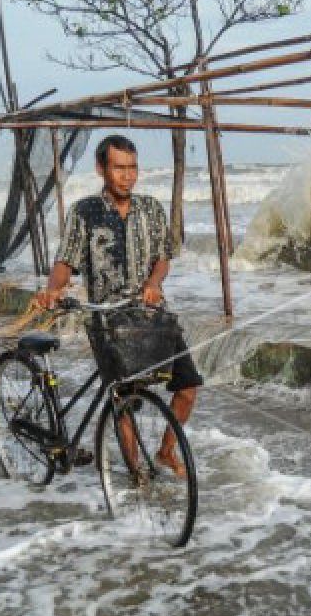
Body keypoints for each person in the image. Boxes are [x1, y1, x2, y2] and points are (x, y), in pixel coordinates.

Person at [35, 134, 202, 477]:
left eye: (133, 168)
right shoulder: (85, 212)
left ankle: (167, 451)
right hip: (108, 321)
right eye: (119, 168)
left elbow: (162, 257)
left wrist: (154, 283)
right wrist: (52, 289)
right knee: (122, 398)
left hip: (152, 316)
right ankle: (136, 473)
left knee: (187, 387)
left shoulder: (151, 208)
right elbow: (66, 262)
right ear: (101, 169)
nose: (128, 176)